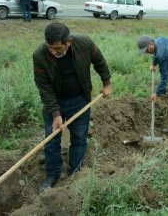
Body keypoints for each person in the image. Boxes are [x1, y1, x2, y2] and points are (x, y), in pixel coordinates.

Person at [33, 23, 112, 193]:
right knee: (52, 140)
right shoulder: (40, 55)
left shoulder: (84, 44)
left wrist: (106, 83)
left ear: (68, 42)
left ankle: (75, 173)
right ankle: (52, 175)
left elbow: (100, 61)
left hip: (80, 101)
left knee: (79, 138)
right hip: (54, 102)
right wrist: (55, 113)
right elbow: (44, 87)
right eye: (49, 48)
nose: (52, 52)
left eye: (57, 48)